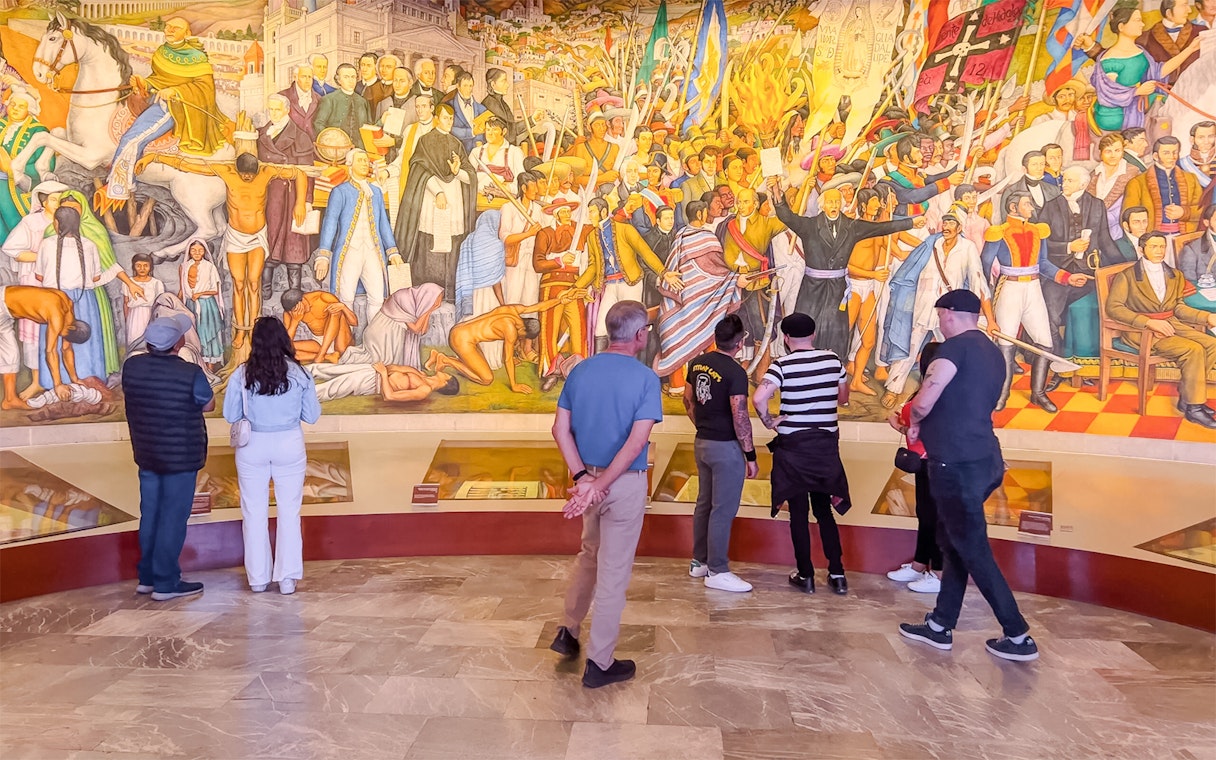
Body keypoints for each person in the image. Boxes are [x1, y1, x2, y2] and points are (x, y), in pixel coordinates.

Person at [897, 289, 1039, 662]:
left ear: (949, 314)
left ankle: (1018, 634)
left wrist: (913, 423)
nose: (939, 321)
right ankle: (940, 625)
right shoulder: (993, 352)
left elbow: (925, 400)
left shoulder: (951, 351)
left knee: (973, 550)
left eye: (940, 314)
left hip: (954, 464)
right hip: (985, 459)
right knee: (954, 543)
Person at [549, 301, 662, 688]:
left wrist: (584, 478)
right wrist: (600, 485)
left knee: (589, 556)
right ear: (639, 335)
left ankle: (568, 631)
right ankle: (600, 662)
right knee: (613, 571)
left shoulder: (580, 371)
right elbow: (636, 443)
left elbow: (560, 430)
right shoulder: (646, 378)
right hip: (622, 483)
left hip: (587, 481)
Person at [135, 151, 309, 350]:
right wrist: (154, 157)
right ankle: (240, 330)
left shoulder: (266, 172)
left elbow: (298, 173)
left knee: (253, 284)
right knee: (239, 283)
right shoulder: (226, 172)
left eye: (250, 176)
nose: (247, 178)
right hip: (235, 236)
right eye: (244, 175)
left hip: (257, 237)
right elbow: (189, 163)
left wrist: (300, 203)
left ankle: (254, 328)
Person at [752, 313, 852, 595]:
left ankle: (806, 575)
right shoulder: (832, 360)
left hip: (794, 448)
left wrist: (769, 420)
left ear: (785, 338)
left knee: (799, 513)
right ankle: (837, 574)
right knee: (824, 512)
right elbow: (843, 398)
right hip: (824, 445)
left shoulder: (781, 365)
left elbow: (759, 398)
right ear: (814, 334)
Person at [223, 317, 321, 595]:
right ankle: (287, 579)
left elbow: (231, 415)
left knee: (253, 511)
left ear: (255, 342)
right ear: (284, 340)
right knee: (290, 511)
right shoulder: (299, 374)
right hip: (289, 442)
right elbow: (311, 416)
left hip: (252, 444)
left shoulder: (241, 374)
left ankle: (257, 579)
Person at [122, 312, 215, 601]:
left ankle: (147, 578)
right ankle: (166, 582)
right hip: (181, 456)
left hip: (147, 452)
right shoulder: (189, 373)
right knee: (173, 517)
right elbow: (209, 404)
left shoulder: (132, 367)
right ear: (177, 343)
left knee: (150, 513)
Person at [103, 17, 228, 206]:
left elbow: (205, 89)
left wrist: (176, 92)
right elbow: (159, 79)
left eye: (175, 28)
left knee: (132, 138)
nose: (169, 30)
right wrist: (145, 83)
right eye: (168, 27)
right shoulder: (162, 51)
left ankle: (119, 188)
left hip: (177, 107)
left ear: (187, 33)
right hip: (159, 99)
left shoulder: (197, 57)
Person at [1106, 232, 1216, 428]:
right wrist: (1147, 322)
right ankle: (1195, 408)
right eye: (1153, 247)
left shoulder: (1175, 275)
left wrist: (1206, 317)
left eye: (1162, 247)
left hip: (1171, 323)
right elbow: (1114, 308)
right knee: (1194, 349)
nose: (1159, 251)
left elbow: (1179, 307)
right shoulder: (1127, 276)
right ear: (1141, 250)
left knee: (1212, 343)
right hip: (1142, 331)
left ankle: (1188, 396)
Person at [684, 314, 758, 593]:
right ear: (739, 344)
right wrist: (749, 455)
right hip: (726, 448)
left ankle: (698, 562)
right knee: (722, 510)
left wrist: (703, 425)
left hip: (701, 442)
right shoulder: (736, 373)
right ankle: (717, 569)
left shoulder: (697, 363)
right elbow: (740, 416)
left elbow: (688, 399)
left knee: (704, 503)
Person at [314, 149, 403, 322]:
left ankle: (374, 341)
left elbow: (383, 224)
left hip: (372, 252)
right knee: (345, 299)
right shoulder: (340, 191)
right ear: (350, 165)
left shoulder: (376, 192)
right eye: (360, 160)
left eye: (366, 160)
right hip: (349, 252)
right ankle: (346, 341)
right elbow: (330, 222)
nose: (365, 163)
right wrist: (324, 255)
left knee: (377, 298)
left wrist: (393, 252)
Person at [427, 294, 576, 393]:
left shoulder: (512, 310)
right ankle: (445, 359)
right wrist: (514, 385)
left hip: (460, 329)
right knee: (486, 379)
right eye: (523, 338)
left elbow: (538, 306)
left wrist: (560, 301)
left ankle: (441, 357)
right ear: (524, 332)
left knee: (480, 367)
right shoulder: (510, 331)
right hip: (461, 340)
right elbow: (508, 359)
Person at [885, 341, 943, 594]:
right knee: (925, 513)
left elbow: (929, 427)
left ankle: (939, 573)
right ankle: (920, 564)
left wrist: (899, 426)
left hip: (936, 459)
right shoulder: (925, 388)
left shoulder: (942, 390)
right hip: (921, 460)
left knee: (936, 517)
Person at [33, 207, 109, 382]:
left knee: (53, 343)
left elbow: (39, 275)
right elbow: (96, 276)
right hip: (84, 300)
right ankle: (91, 378)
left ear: (57, 223)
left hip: (53, 300)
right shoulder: (89, 244)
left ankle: (53, 382)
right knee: (84, 339)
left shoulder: (46, 244)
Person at [0, 285, 90, 409]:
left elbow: (66, 348)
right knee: (9, 353)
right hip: (2, 303)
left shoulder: (68, 308)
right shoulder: (57, 315)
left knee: (11, 355)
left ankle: (9, 400)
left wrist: (75, 379)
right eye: (62, 334)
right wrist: (58, 385)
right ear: (71, 328)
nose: (60, 335)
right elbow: (51, 351)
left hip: (6, 311)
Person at [1125, 137, 1204, 235]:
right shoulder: (1137, 182)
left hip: (1185, 237)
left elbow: (1203, 210)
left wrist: (1184, 212)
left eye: (1175, 152)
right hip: (1151, 239)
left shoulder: (1191, 179)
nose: (1172, 157)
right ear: (1155, 156)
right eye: (1166, 153)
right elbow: (1129, 216)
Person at [178, 239, 224, 368]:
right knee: (193, 335)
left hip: (207, 306)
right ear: (189, 251)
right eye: (193, 250)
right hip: (190, 306)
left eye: (200, 250)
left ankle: (210, 369)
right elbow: (182, 289)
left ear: (204, 251)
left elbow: (215, 290)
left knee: (208, 335)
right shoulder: (184, 267)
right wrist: (177, 304)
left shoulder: (209, 267)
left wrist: (199, 294)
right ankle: (196, 367)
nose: (197, 253)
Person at [280, 289, 356, 364]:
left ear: (303, 299)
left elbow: (354, 322)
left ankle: (322, 354)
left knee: (335, 310)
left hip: (339, 337)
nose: (296, 312)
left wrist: (343, 307)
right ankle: (328, 356)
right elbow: (286, 342)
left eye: (297, 309)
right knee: (283, 349)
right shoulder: (290, 312)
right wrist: (295, 321)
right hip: (319, 342)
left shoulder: (323, 298)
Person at [313, 63, 373, 144]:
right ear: (338, 80)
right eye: (346, 77)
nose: (350, 81)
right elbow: (318, 124)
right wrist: (331, 140)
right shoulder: (329, 99)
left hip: (359, 150)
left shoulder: (362, 102)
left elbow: (368, 127)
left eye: (353, 77)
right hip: (335, 149)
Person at [123, 253, 163, 348]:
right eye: (138, 266)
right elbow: (125, 302)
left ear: (150, 267)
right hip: (134, 316)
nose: (142, 268)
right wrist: (127, 319)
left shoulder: (156, 283)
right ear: (134, 267)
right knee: (134, 341)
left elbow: (160, 304)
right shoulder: (128, 282)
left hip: (150, 314)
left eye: (145, 266)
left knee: (150, 343)